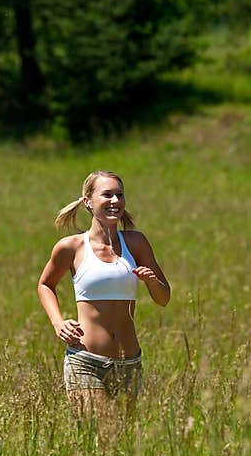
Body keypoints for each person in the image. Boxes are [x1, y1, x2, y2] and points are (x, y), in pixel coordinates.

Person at [37, 170, 170, 424]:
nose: (115, 201)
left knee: (120, 445)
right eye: (107, 195)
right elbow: (45, 285)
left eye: (120, 195)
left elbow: (164, 298)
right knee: (103, 436)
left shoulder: (136, 242)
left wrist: (152, 281)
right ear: (88, 201)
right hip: (87, 362)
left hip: (129, 364)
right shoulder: (71, 247)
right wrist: (58, 322)